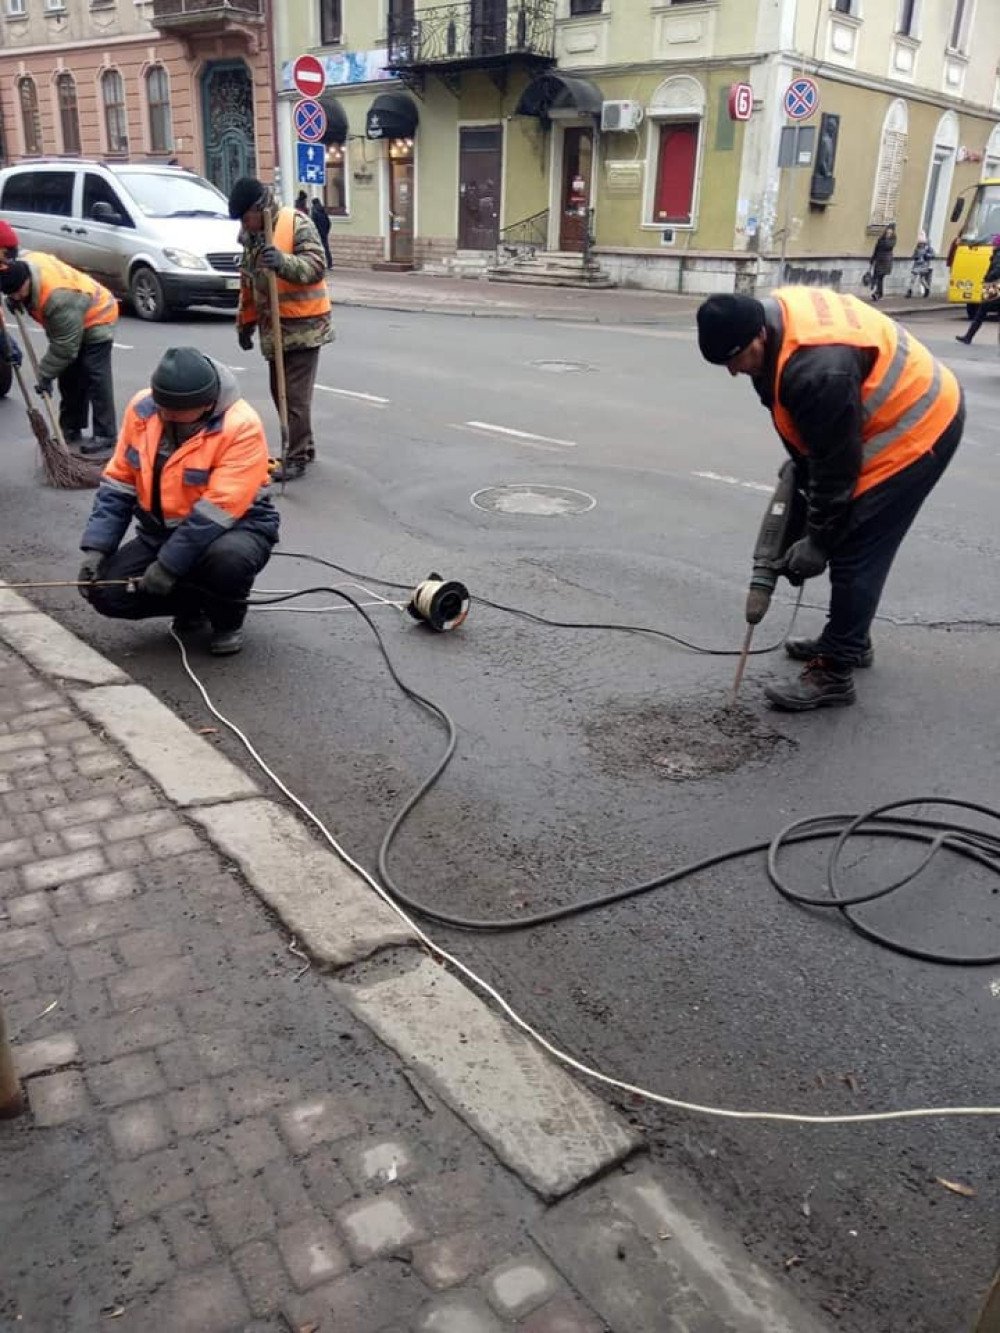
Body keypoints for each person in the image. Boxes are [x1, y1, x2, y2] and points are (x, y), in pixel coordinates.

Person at [696, 288, 963, 711]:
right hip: (872, 417)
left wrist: (817, 542)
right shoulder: (769, 328)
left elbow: (837, 468)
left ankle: (834, 670)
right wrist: (799, 502)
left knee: (856, 548)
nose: (733, 372)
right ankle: (850, 636)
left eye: (737, 359)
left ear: (759, 337)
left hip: (917, 426)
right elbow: (812, 445)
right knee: (841, 528)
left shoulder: (818, 369)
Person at [77, 347, 279, 657]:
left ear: (207, 404)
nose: (165, 416)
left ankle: (226, 619)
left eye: (175, 411)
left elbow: (214, 513)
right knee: (106, 593)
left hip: (236, 527)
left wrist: (168, 566)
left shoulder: (240, 426)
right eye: (162, 407)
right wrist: (97, 548)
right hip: (161, 532)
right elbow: (119, 484)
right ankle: (194, 602)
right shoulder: (144, 409)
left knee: (227, 561)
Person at [228, 177, 332, 484]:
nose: (245, 226)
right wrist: (244, 324)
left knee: (294, 396)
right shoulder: (251, 236)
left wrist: (283, 262)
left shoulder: (295, 223)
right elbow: (248, 283)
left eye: (247, 218)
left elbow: (316, 265)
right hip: (273, 328)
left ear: (259, 208)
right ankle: (305, 446)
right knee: (279, 391)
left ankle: (296, 456)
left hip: (305, 325)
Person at [0, 253, 118, 455]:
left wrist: (44, 375)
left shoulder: (58, 298)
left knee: (95, 376)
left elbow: (64, 347)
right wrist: (17, 300)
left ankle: (106, 434)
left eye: (18, 293)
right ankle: (71, 427)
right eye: (11, 295)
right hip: (74, 314)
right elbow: (65, 350)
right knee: (70, 376)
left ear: (27, 280)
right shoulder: (26, 266)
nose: (16, 297)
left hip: (98, 315)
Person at [955, 234, 1000, 344]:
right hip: (993, 285)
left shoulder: (998, 254)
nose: (992, 245)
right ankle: (968, 337)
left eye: (994, 243)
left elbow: (997, 270)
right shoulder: (996, 254)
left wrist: (988, 279)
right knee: (982, 312)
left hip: (993, 286)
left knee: (981, 312)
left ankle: (968, 337)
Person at [868, 224, 896, 302]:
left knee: (880, 277)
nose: (888, 231)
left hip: (886, 261)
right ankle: (879, 293)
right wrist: (872, 259)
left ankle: (878, 293)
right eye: (888, 229)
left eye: (890, 230)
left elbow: (888, 246)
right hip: (879, 260)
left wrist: (887, 237)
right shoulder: (881, 239)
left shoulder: (893, 239)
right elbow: (876, 249)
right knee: (877, 277)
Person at [906, 230, 934, 299]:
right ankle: (909, 291)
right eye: (920, 243)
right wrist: (914, 257)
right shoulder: (917, 248)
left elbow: (933, 255)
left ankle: (927, 289)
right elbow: (914, 255)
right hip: (916, 265)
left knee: (922, 280)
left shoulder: (928, 248)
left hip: (924, 265)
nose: (921, 244)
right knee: (913, 279)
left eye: (922, 243)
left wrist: (927, 255)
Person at [310, 196, 334, 269]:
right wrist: (326, 231)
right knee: (326, 248)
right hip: (324, 233)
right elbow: (328, 223)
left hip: (317, 233)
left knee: (316, 248)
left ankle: (319, 263)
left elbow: (313, 223)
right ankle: (329, 264)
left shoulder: (314, 211)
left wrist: (314, 232)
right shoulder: (323, 210)